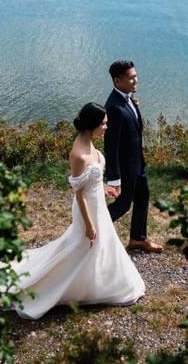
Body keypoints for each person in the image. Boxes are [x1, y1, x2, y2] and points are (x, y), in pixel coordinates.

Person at [10, 102, 145, 320]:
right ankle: (67, 286)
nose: (106, 128)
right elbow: (79, 193)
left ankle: (101, 282)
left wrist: (105, 187)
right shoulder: (78, 154)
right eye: (103, 124)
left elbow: (92, 180)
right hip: (87, 210)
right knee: (83, 245)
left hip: (98, 205)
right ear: (92, 125)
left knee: (101, 246)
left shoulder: (90, 143)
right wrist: (89, 225)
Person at [104, 60, 163, 253]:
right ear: (117, 81)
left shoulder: (128, 98)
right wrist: (114, 177)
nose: (136, 80)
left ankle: (138, 239)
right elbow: (111, 146)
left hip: (138, 165)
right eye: (131, 78)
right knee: (122, 205)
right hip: (126, 169)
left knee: (143, 197)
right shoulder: (114, 107)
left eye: (135, 76)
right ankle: (92, 229)